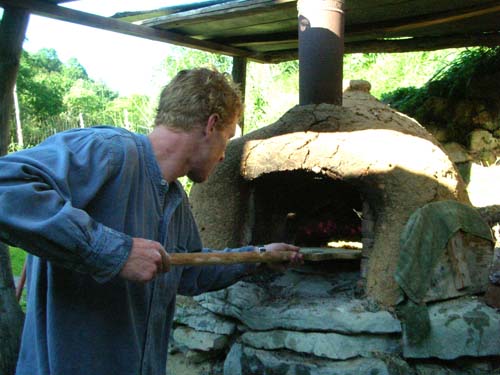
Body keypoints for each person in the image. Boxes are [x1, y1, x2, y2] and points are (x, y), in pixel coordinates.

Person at [0, 68, 302, 375]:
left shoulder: (175, 199)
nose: (225, 155)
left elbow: (191, 274)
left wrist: (260, 256)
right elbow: (5, 186)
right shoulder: (109, 150)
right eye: (228, 137)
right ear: (211, 125)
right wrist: (116, 252)